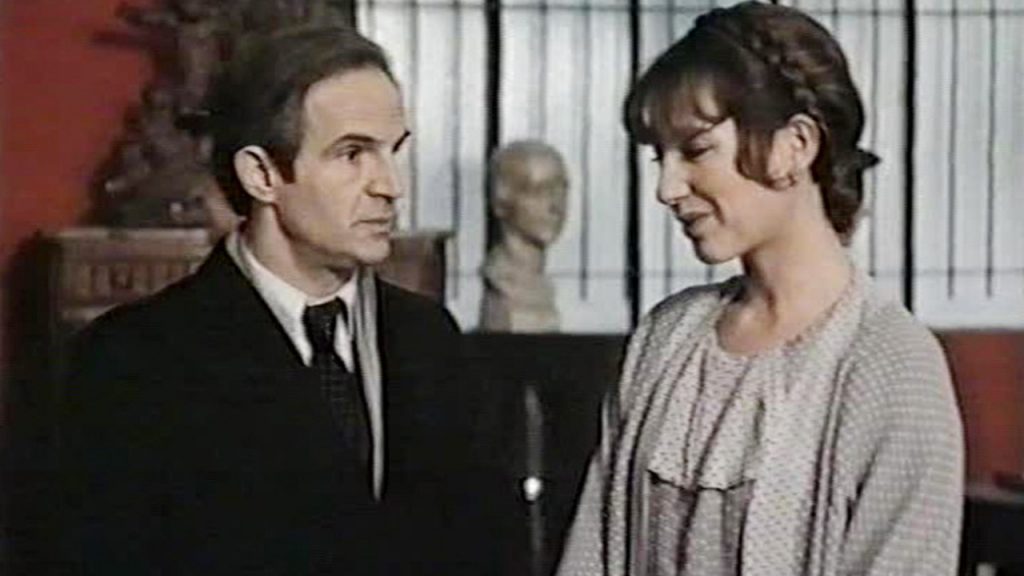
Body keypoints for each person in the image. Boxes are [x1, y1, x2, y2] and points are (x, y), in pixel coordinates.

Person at [60, 27, 485, 575]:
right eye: (352, 154)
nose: (390, 186)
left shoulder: (430, 339)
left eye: (393, 150)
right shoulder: (134, 359)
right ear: (261, 175)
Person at [556, 3, 964, 575]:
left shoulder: (889, 362)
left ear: (795, 144)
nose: (667, 188)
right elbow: (590, 557)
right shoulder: (664, 339)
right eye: (659, 157)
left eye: (696, 150)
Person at [480, 140, 569, 332]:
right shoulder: (502, 286)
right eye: (539, 191)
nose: (555, 205)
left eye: (561, 190)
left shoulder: (543, 287)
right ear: (501, 202)